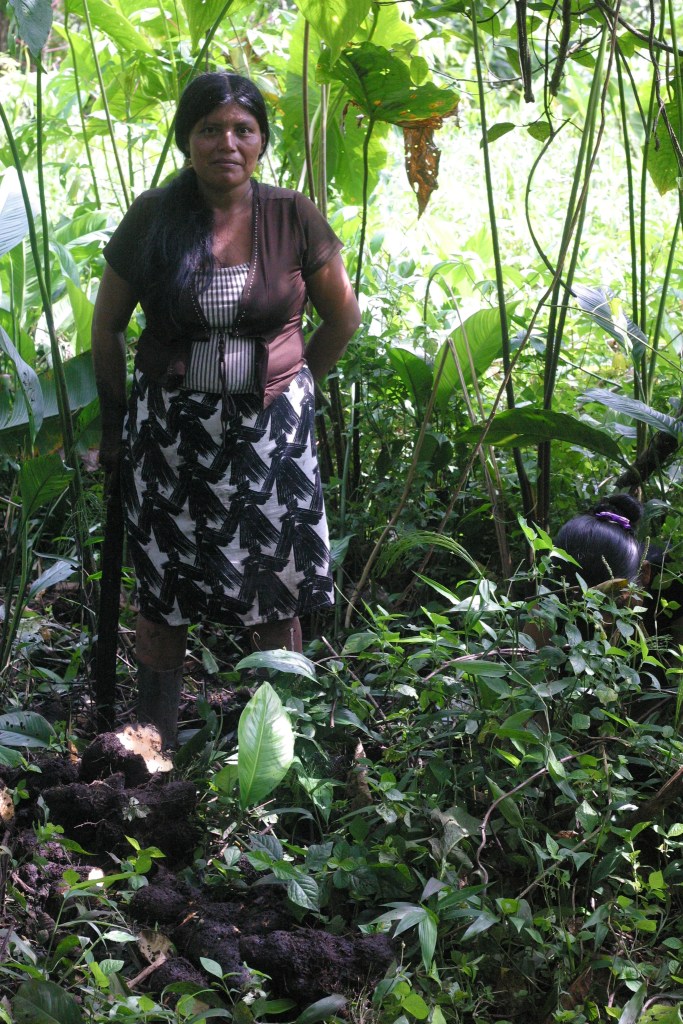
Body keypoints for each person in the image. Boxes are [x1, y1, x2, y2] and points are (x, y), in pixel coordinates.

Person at [92, 72, 361, 746]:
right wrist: (114, 424)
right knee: (165, 582)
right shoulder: (154, 215)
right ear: (187, 138)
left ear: (263, 140)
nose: (227, 143)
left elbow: (341, 318)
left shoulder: (291, 214)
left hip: (271, 437)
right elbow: (107, 328)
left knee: (275, 583)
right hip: (169, 432)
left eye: (243, 129)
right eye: (210, 129)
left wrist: (297, 390)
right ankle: (153, 743)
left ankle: (273, 745)